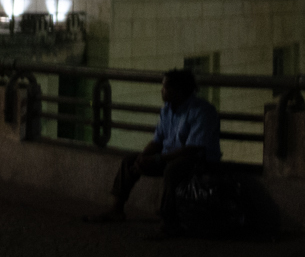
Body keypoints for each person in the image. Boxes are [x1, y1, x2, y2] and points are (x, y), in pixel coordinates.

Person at [87, 69, 222, 236]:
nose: (161, 91)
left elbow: (193, 148)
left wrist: (157, 159)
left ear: (178, 90)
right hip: (169, 156)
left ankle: (168, 222)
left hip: (199, 160)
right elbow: (158, 140)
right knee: (130, 161)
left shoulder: (201, 111)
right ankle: (116, 209)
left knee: (173, 170)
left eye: (165, 87)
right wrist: (143, 157)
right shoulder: (167, 110)